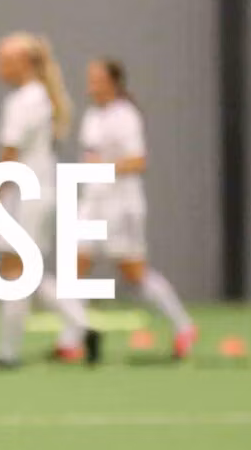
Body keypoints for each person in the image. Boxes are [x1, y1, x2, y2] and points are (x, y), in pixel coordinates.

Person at [0, 33, 98, 369]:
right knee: (22, 272)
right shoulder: (38, 97)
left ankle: (8, 354)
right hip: (37, 192)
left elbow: (10, 151)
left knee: (16, 271)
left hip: (27, 195)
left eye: (4, 61)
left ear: (24, 63)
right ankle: (81, 323)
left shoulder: (24, 100)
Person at [76, 59, 197, 357]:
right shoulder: (92, 116)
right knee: (75, 265)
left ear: (113, 82)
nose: (91, 85)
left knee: (133, 275)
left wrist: (104, 167)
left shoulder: (126, 116)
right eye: (89, 79)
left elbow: (138, 161)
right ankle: (72, 341)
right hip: (93, 202)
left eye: (97, 79)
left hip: (122, 206)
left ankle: (183, 326)